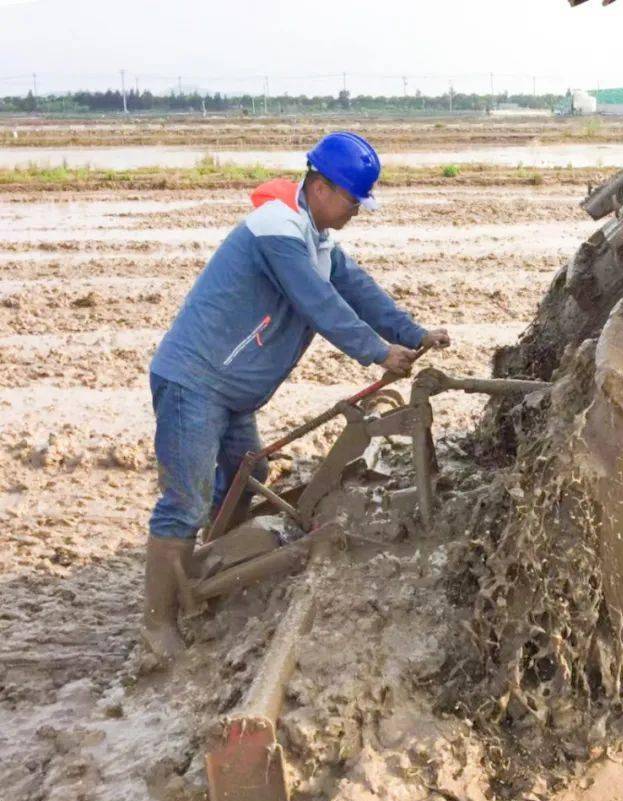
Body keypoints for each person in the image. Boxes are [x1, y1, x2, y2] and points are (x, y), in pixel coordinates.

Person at [142, 132, 450, 660]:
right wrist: (378, 353)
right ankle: (158, 623)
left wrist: (412, 332)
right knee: (185, 501)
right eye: (353, 200)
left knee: (247, 477)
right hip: (194, 384)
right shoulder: (277, 230)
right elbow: (319, 303)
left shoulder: (317, 236)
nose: (356, 211)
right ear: (322, 186)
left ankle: (208, 575)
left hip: (230, 393)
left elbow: (357, 289)